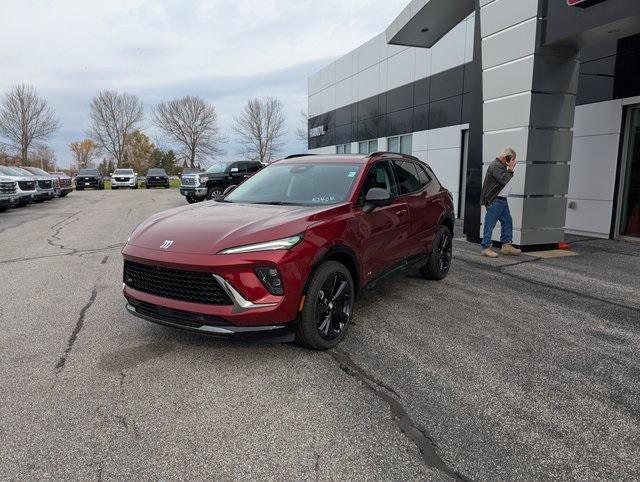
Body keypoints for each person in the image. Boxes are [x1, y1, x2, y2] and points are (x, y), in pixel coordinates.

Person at [479, 148, 522, 258]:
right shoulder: (496, 165)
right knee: (490, 224)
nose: (513, 162)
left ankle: (506, 246)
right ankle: (485, 247)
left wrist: (509, 168)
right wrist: (511, 169)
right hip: (495, 200)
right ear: (506, 157)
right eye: (512, 159)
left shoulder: (501, 166)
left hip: (502, 200)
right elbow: (503, 180)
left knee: (507, 221)